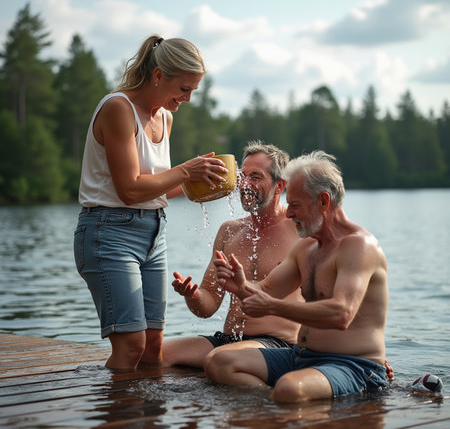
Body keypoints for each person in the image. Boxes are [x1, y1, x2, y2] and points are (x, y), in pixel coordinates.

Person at [73, 35, 228, 372]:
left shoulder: (165, 118)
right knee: (131, 347)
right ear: (158, 75)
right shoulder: (118, 108)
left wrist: (202, 185)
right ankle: (118, 418)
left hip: (153, 233)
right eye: (183, 89)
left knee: (153, 348)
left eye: (193, 91)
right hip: (107, 233)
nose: (187, 99)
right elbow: (129, 189)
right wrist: (186, 170)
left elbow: (155, 190)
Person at [205, 150, 390, 402]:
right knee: (220, 361)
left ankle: (286, 399)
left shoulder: (359, 246)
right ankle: (277, 405)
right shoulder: (306, 247)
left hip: (353, 365)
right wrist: (240, 286)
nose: (289, 213)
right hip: (300, 357)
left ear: (323, 201)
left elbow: (341, 313)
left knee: (290, 388)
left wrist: (272, 306)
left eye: (295, 205)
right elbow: (267, 291)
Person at [162, 141, 303, 368]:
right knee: (155, 355)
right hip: (230, 340)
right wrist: (193, 295)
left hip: (279, 344)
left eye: (255, 177)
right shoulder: (229, 230)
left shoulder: (300, 228)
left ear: (279, 186)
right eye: (243, 176)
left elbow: (335, 295)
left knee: (219, 359)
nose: (245, 184)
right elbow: (208, 306)